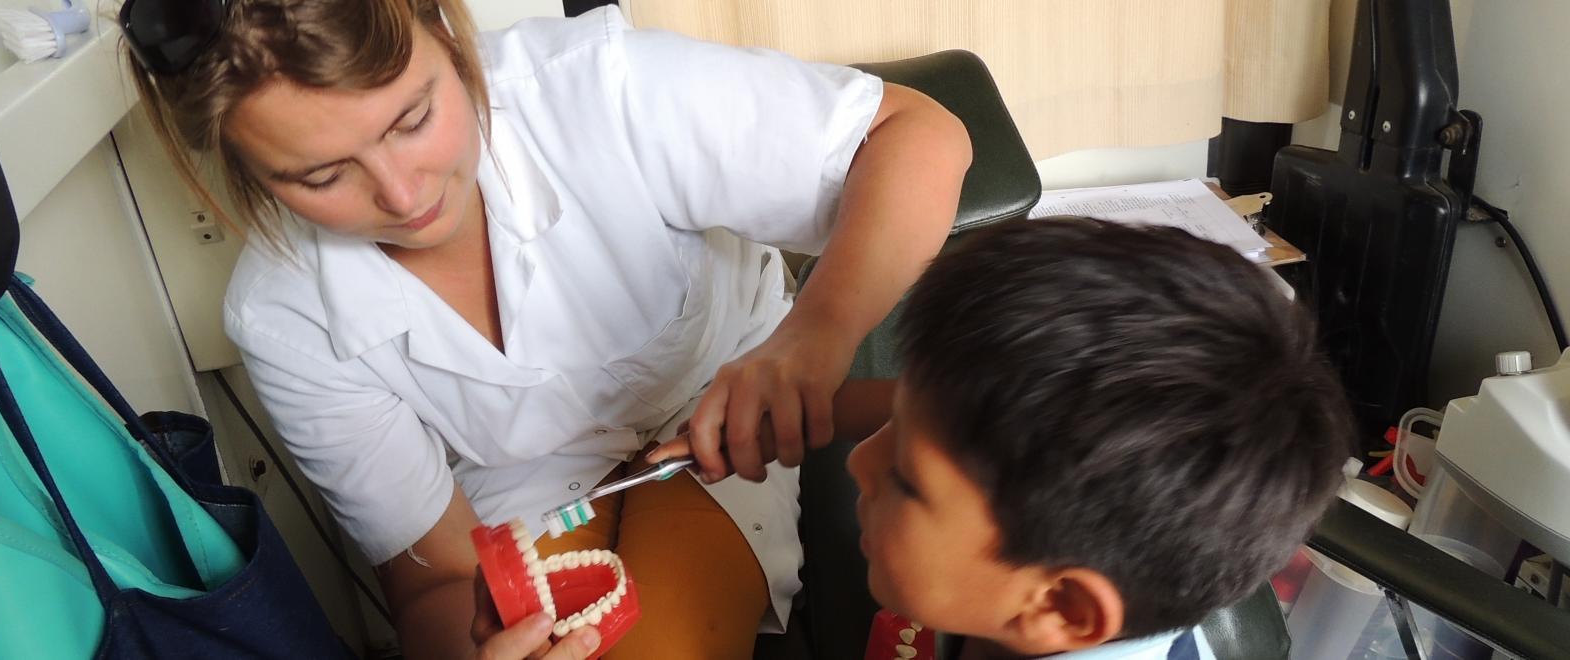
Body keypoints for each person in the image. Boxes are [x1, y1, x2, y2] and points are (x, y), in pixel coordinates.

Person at [118, 0, 970, 657]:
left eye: (412, 121)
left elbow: (919, 136)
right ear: (244, 171)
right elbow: (434, 585)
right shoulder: (283, 317)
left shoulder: (597, 89)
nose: (405, 198)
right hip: (517, 494)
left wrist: (813, 340)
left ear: (450, 37)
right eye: (320, 175)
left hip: (718, 412)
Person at [837, 218, 1353, 659]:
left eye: (907, 482)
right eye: (893, 427)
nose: (859, 462)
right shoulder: (1027, 572)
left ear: (1061, 606)